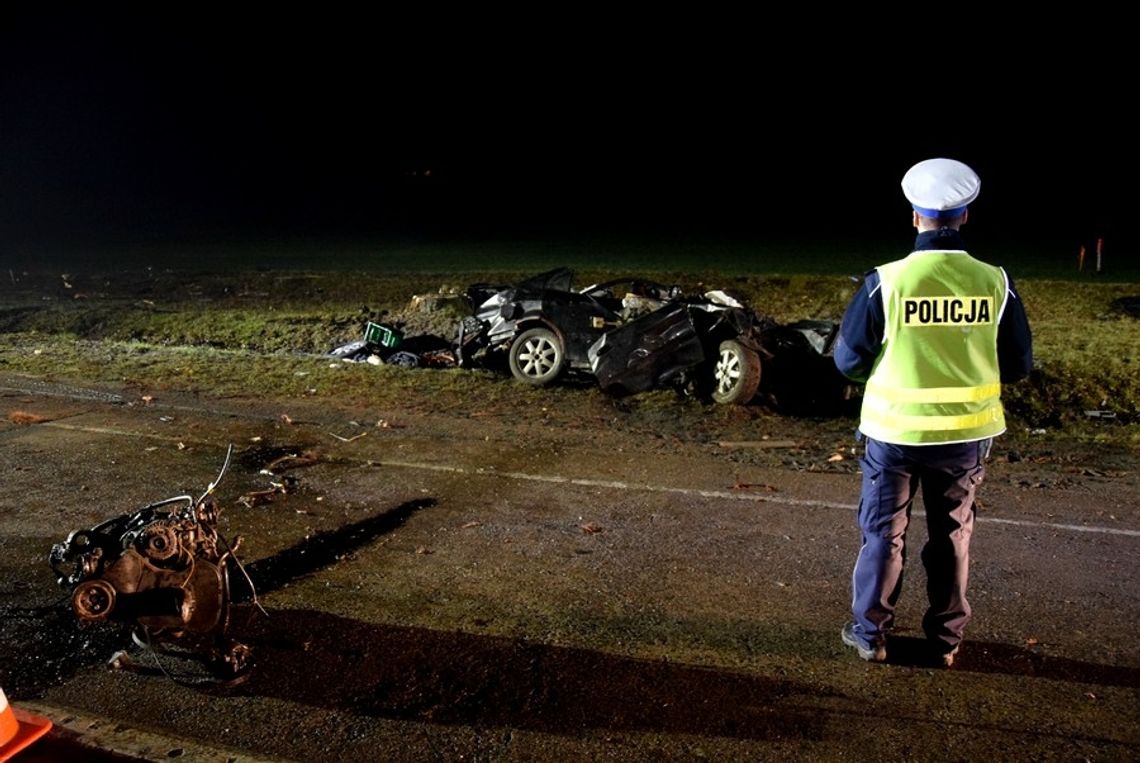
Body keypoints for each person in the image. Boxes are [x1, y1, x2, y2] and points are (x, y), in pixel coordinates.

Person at [833, 158, 1033, 667]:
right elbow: (1017, 364)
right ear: (965, 216)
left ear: (914, 216)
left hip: (893, 433)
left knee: (883, 534)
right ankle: (945, 641)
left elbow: (849, 359)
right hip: (964, 438)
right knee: (952, 536)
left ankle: (871, 634)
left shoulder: (886, 281)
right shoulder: (995, 282)